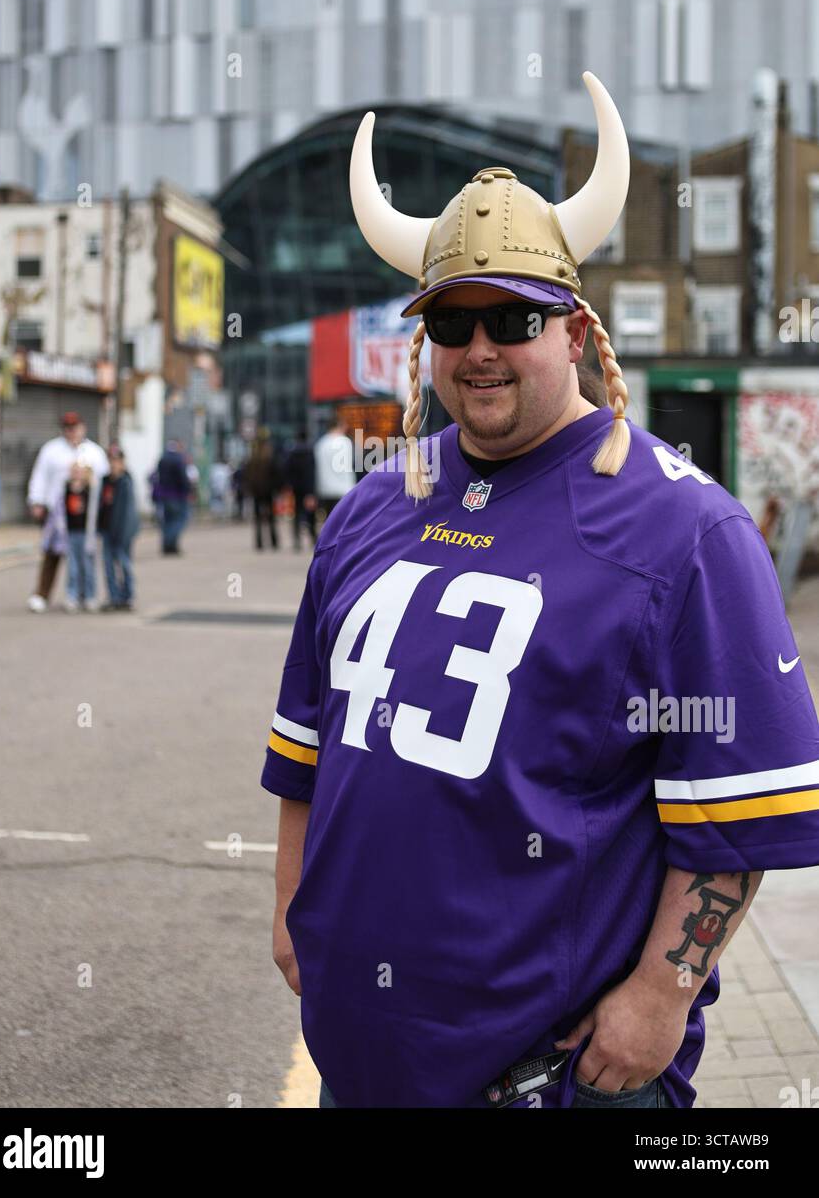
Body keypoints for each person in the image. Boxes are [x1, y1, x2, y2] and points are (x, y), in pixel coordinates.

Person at [262, 73, 819, 1110]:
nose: (480, 347)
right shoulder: (373, 506)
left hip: (544, 1082)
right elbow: (308, 739)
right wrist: (292, 898)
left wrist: (660, 993)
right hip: (360, 1062)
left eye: (513, 316)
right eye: (454, 318)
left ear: (572, 327)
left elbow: (741, 799)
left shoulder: (684, 529)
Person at [26, 412, 108, 612]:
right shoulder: (51, 450)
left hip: (85, 517)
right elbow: (40, 476)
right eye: (67, 428)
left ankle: (84, 595)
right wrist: (37, 501)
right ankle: (41, 595)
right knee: (51, 554)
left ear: (83, 427)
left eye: (75, 427)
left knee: (83, 559)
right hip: (58, 514)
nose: (71, 432)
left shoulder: (94, 452)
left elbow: (104, 480)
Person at [98, 445, 139, 611]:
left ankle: (127, 597)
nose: (114, 465)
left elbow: (128, 513)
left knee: (124, 565)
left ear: (122, 462)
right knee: (108, 566)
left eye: (117, 461)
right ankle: (113, 597)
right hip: (107, 531)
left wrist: (124, 534)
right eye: (111, 461)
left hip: (123, 533)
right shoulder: (105, 481)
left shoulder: (126, 482)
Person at [62, 461, 98, 612]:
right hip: (71, 533)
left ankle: (89, 596)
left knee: (88, 566)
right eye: (74, 471)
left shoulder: (91, 490)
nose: (77, 474)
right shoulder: (66, 489)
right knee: (73, 567)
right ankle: (72, 595)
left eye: (80, 471)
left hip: (86, 533)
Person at [245, 427, 284, 551]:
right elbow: (277, 474)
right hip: (269, 491)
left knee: (257, 518)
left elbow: (247, 476)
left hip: (256, 491)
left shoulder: (252, 458)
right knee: (271, 517)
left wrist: (249, 489)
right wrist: (277, 489)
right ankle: (273, 541)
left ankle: (259, 543)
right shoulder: (270, 457)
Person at [152, 440, 193, 555]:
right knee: (179, 520)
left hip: (164, 495)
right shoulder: (178, 459)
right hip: (177, 495)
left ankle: (168, 546)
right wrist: (188, 491)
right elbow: (183, 478)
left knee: (168, 521)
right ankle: (171, 543)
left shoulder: (163, 458)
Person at [313, 415, 355, 519]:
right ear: (340, 426)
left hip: (325, 490)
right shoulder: (345, 442)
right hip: (343, 489)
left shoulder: (320, 444)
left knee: (330, 521)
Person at [285, 429, 318, 551]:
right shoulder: (310, 452)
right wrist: (312, 490)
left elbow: (287, 471)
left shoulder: (291, 453)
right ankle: (313, 537)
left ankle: (297, 540)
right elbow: (312, 472)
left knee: (297, 514)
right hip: (308, 488)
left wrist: (291, 485)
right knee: (311, 514)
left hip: (296, 489)